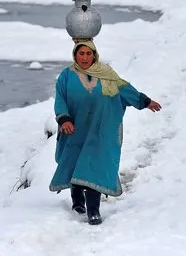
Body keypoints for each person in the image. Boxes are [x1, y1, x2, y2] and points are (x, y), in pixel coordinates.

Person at [49, 39, 162, 225]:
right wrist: (64, 118)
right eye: (81, 53)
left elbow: (125, 89)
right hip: (75, 130)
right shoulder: (66, 76)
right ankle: (77, 200)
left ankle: (93, 210)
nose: (85, 57)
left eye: (88, 53)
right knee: (76, 163)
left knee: (95, 166)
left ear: (94, 55)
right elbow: (60, 99)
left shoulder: (107, 75)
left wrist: (145, 101)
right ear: (75, 55)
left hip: (100, 132)